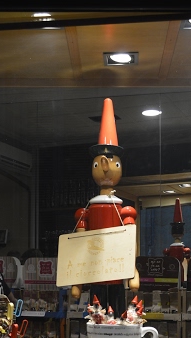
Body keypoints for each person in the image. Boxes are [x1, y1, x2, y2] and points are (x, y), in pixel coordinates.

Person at [71, 98, 139, 315]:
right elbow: (80, 246)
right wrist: (78, 281)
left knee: (117, 312)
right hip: (96, 273)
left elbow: (129, 243)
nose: (106, 167)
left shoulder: (124, 211)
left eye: (114, 163)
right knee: (96, 314)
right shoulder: (86, 212)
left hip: (116, 274)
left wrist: (132, 270)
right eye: (98, 163)